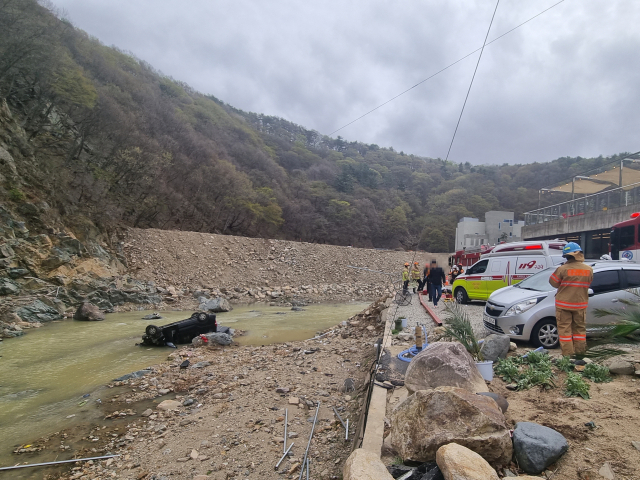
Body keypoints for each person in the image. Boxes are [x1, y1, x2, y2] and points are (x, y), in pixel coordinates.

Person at [548, 242, 593, 357]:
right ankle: (580, 355)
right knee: (580, 331)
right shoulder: (589, 269)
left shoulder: (562, 269)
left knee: (565, 332)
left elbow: (553, 282)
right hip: (580, 305)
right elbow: (588, 283)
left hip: (564, 305)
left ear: (566, 256)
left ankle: (568, 356)